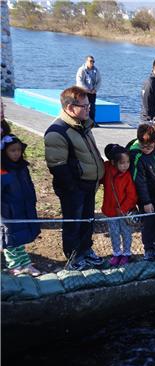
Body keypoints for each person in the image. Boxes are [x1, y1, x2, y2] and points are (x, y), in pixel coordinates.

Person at [44, 86, 105, 270]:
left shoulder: (83, 125)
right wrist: (73, 188)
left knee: (87, 220)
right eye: (84, 106)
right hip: (74, 188)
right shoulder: (57, 132)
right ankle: (73, 256)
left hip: (89, 185)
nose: (89, 108)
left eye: (88, 105)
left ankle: (86, 249)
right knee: (73, 222)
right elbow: (57, 166)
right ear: (70, 108)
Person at [128, 123, 155, 261]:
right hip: (146, 196)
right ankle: (148, 249)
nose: (146, 149)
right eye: (143, 146)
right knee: (148, 223)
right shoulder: (135, 154)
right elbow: (139, 181)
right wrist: (146, 202)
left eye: (150, 146)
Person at [1, 134, 41, 276]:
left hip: (23, 207)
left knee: (20, 237)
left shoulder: (22, 167)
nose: (17, 153)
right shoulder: (2, 170)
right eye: (12, 150)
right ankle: (14, 266)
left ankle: (25, 263)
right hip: (7, 212)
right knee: (9, 240)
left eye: (18, 150)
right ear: (4, 152)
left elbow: (29, 185)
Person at [101, 144, 138, 266]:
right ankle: (116, 253)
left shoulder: (127, 176)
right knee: (114, 233)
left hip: (124, 212)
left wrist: (122, 209)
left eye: (127, 162)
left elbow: (132, 196)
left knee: (126, 232)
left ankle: (126, 253)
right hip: (110, 211)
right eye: (122, 163)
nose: (125, 165)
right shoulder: (107, 169)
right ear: (113, 162)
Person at [75, 55, 101, 124]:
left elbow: (99, 81)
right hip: (83, 92)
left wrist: (95, 89)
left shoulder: (96, 70)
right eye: (90, 61)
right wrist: (86, 90)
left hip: (92, 92)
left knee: (92, 107)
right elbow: (79, 81)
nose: (92, 63)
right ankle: (81, 122)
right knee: (82, 107)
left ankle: (92, 122)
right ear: (86, 61)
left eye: (93, 61)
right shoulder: (81, 70)